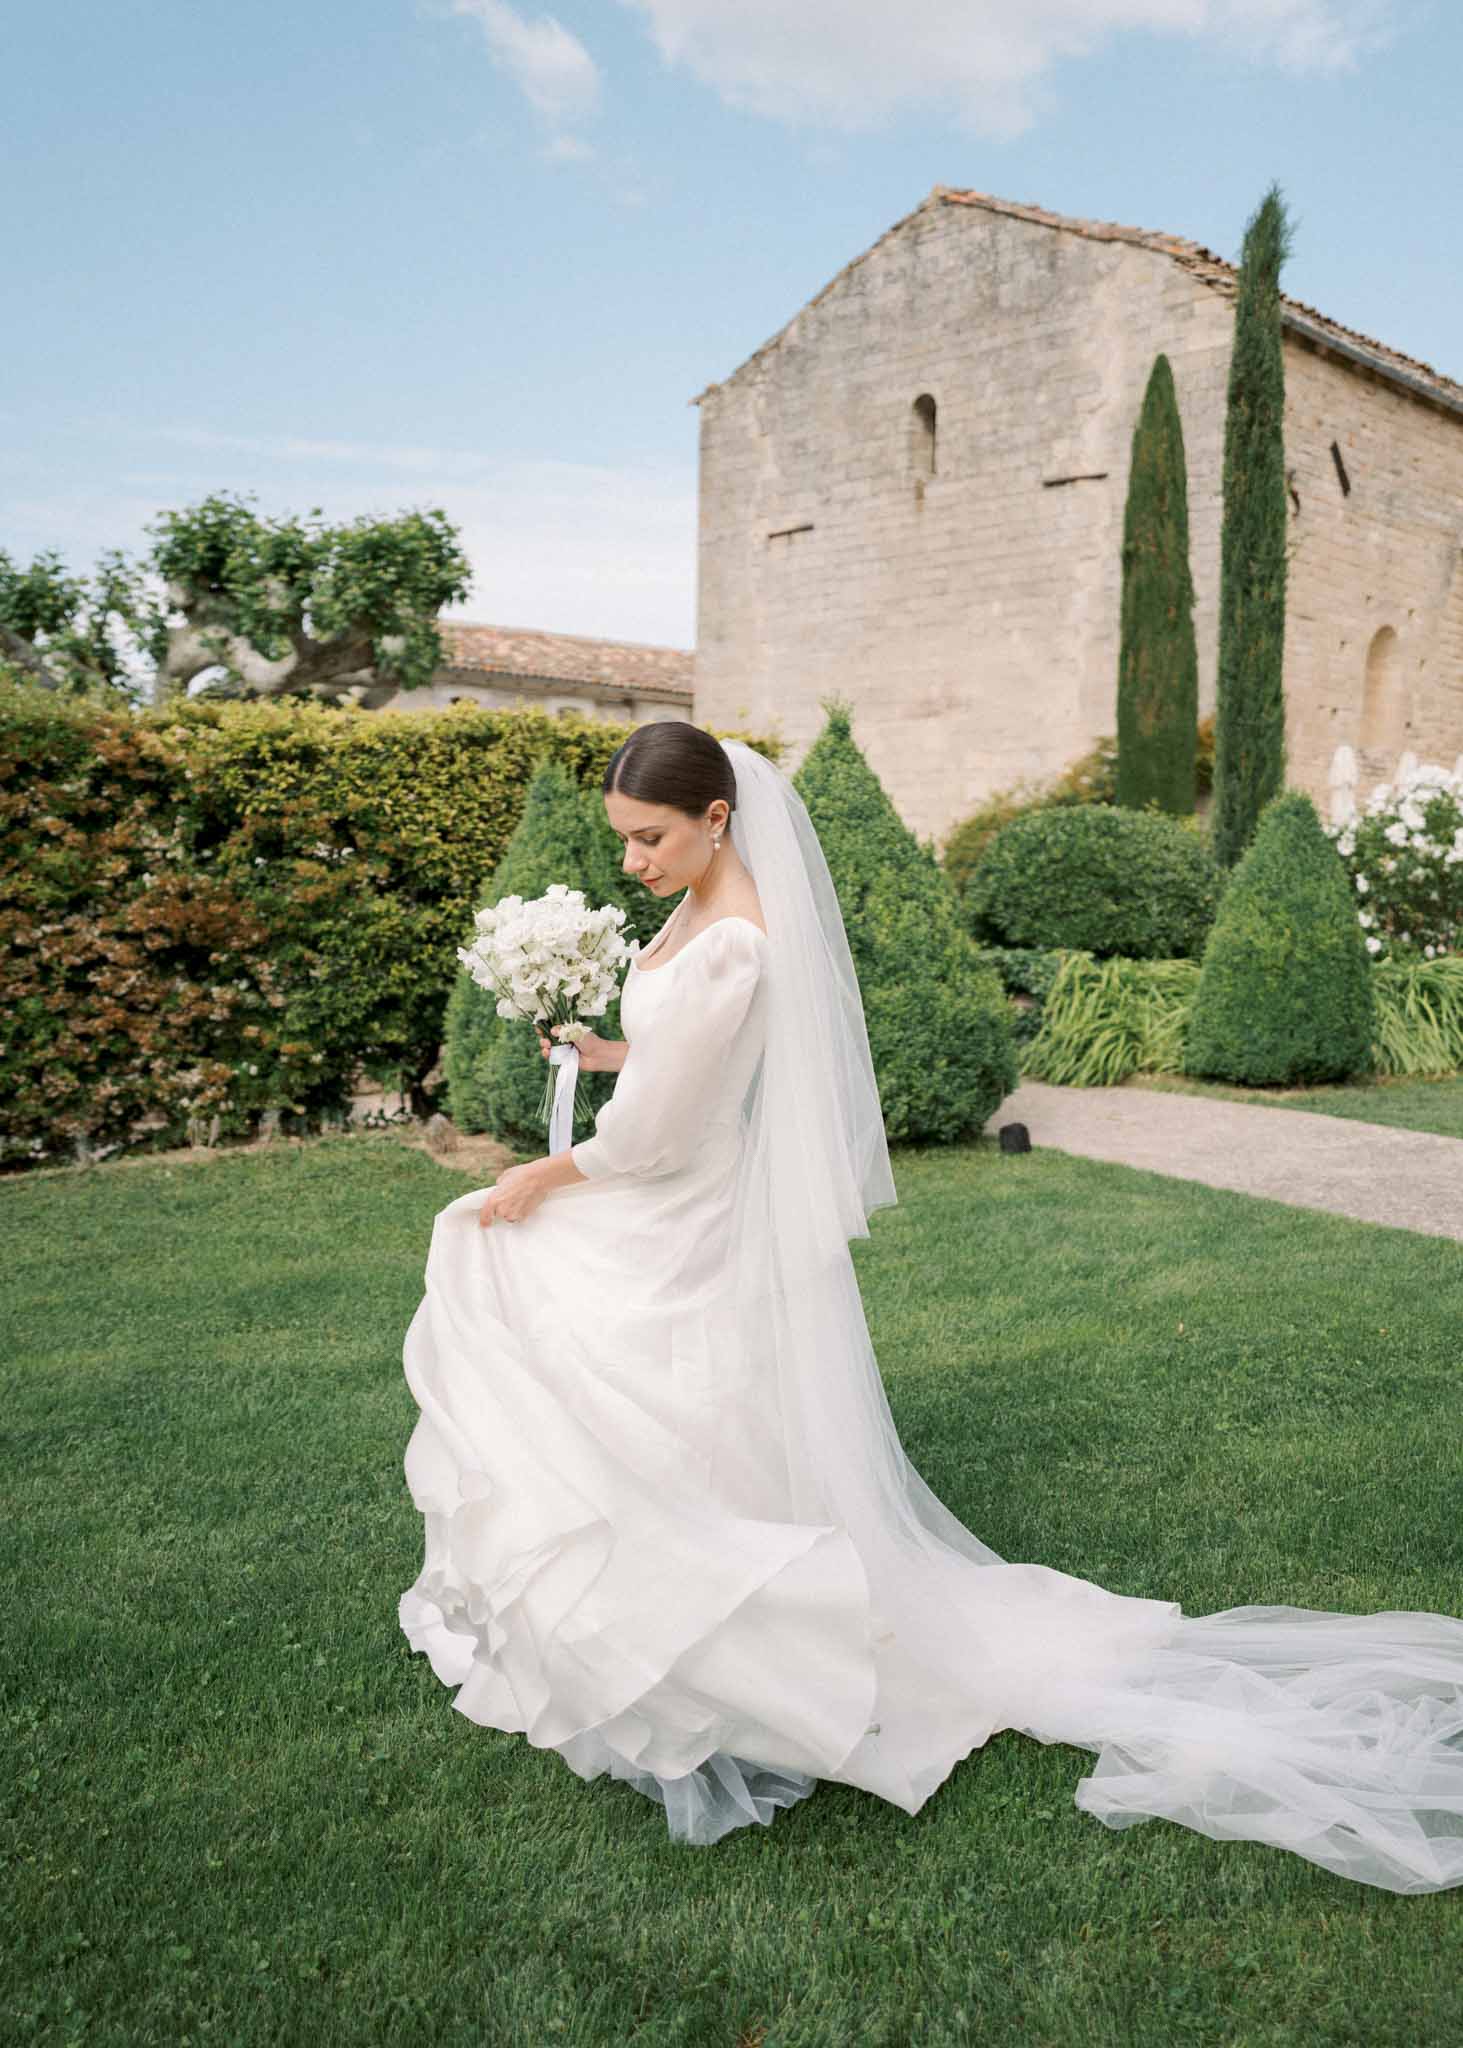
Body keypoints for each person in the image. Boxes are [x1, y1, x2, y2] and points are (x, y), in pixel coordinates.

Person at [399, 721, 1463, 1889]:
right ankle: (680, 1605)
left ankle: (721, 1630)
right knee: (655, 1393)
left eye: (648, 838)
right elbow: (671, 1071)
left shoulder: (729, 944)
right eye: (623, 842)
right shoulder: (702, 920)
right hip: (680, 1194)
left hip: (673, 1206)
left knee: (512, 1277)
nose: (632, 861)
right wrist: (604, 1047)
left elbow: (650, 1139)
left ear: (715, 817)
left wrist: (531, 1177)